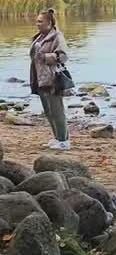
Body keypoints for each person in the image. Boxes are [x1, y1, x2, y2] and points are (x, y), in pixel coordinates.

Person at [30, 8, 71, 150]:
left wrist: (45, 57)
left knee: (57, 110)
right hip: (40, 79)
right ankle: (57, 138)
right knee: (48, 111)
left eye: (40, 21)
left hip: (53, 78)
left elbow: (63, 56)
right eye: (37, 21)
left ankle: (64, 141)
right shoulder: (39, 37)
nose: (37, 24)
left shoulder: (57, 36)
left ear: (49, 23)